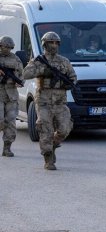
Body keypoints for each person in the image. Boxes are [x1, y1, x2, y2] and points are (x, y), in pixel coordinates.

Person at [22, 31, 77, 170]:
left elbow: (73, 77)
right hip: (44, 101)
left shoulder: (64, 61)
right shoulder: (38, 60)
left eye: (56, 43)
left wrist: (67, 83)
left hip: (60, 102)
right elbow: (25, 74)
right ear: (44, 44)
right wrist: (42, 71)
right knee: (45, 128)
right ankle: (48, 158)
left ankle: (52, 144)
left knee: (65, 128)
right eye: (50, 43)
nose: (53, 45)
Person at [0, 36, 24, 157]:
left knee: (11, 122)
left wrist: (19, 81)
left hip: (11, 95)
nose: (8, 49)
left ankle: (7, 148)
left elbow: (21, 73)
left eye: (10, 48)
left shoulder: (15, 59)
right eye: (6, 47)